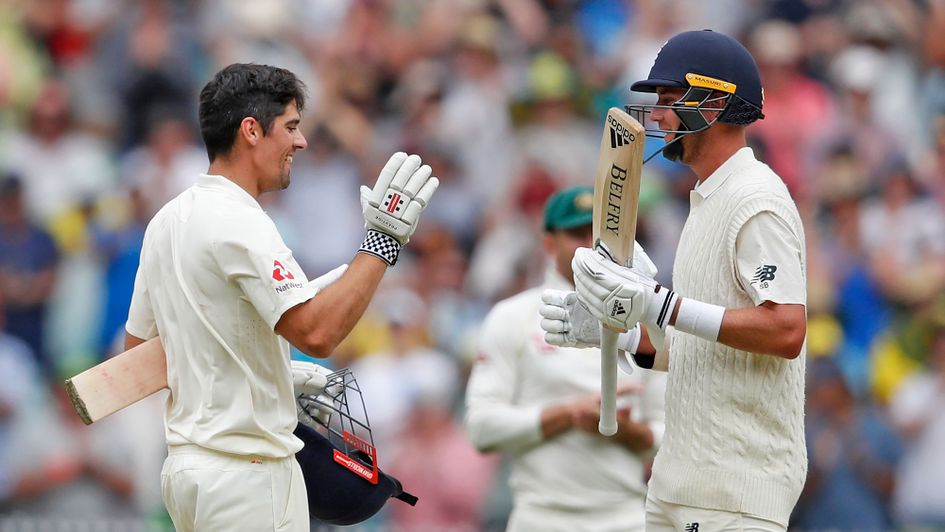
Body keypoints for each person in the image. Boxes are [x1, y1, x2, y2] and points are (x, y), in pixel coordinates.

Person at [123, 63, 438, 532]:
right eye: (291, 126)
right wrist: (383, 241)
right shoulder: (242, 219)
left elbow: (139, 356)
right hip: (247, 477)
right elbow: (318, 332)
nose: (301, 141)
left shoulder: (167, 220)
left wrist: (265, 373)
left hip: (188, 473)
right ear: (251, 130)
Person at [540, 31, 808, 530]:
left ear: (715, 102)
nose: (658, 116)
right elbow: (701, 346)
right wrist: (628, 336)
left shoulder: (756, 200)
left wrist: (660, 304)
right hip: (680, 484)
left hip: (734, 487)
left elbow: (786, 331)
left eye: (669, 100)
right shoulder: (707, 199)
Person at [466, 186, 666, 531]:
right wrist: (569, 415)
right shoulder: (513, 316)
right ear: (548, 243)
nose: (591, 244)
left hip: (626, 519)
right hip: (541, 519)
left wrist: (623, 430)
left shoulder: (645, 326)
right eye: (576, 233)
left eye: (602, 234)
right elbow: (483, 428)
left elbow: (670, 437)